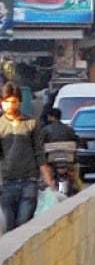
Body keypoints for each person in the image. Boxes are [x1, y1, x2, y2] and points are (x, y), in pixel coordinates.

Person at [0, 82, 55, 230]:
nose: (9, 106)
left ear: (19, 102)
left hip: (28, 183)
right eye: (6, 102)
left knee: (23, 225)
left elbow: (39, 153)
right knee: (10, 229)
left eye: (13, 102)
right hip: (7, 183)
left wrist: (48, 181)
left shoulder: (31, 123)